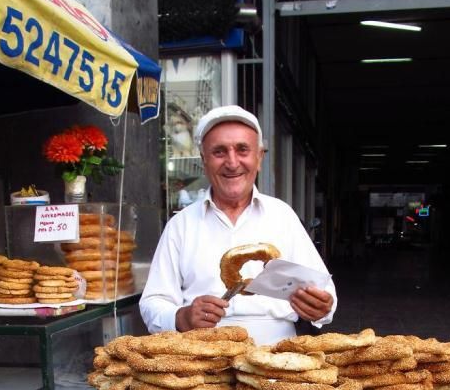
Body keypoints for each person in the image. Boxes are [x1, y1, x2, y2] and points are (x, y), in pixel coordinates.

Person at [139, 105, 337, 345]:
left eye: (242, 150)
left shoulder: (282, 216)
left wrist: (321, 307)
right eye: (219, 152)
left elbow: (325, 292)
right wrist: (182, 317)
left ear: (259, 158)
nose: (232, 163)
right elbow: (152, 302)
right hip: (202, 358)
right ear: (204, 160)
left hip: (276, 356)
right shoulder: (181, 225)